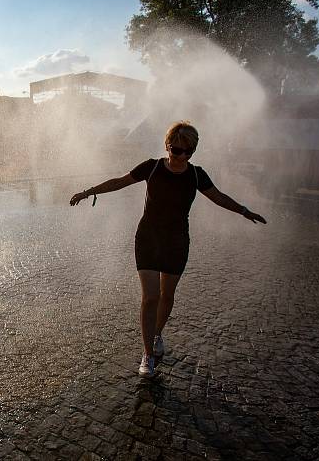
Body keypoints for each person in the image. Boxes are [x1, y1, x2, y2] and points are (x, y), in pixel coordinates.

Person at [70, 121, 267, 378]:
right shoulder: (151, 167)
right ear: (167, 146)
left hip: (177, 241)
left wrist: (243, 210)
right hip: (148, 238)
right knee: (150, 297)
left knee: (167, 295)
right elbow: (120, 182)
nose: (181, 156)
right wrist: (88, 192)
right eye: (176, 150)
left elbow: (218, 196)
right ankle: (148, 355)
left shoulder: (197, 175)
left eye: (188, 152)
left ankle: (157, 334)